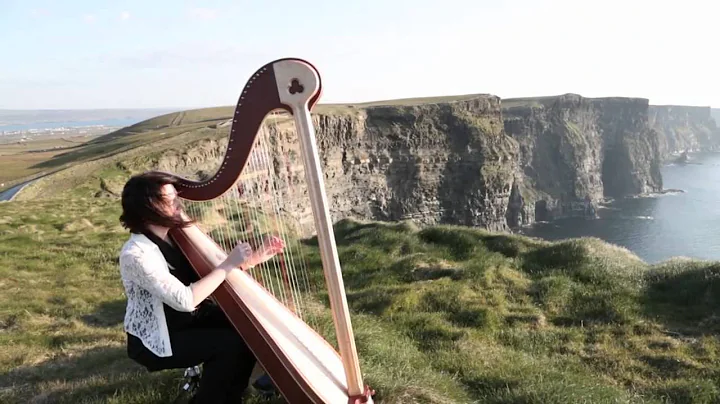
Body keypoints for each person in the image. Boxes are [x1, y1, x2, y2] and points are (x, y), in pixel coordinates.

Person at [117, 171, 283, 403]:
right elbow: (185, 300)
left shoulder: (174, 236)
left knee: (248, 322)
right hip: (159, 337)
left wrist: (255, 258)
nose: (179, 204)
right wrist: (227, 265)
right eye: (170, 199)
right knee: (230, 345)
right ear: (149, 207)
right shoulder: (136, 254)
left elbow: (207, 277)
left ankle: (248, 386)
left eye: (176, 197)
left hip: (188, 319)